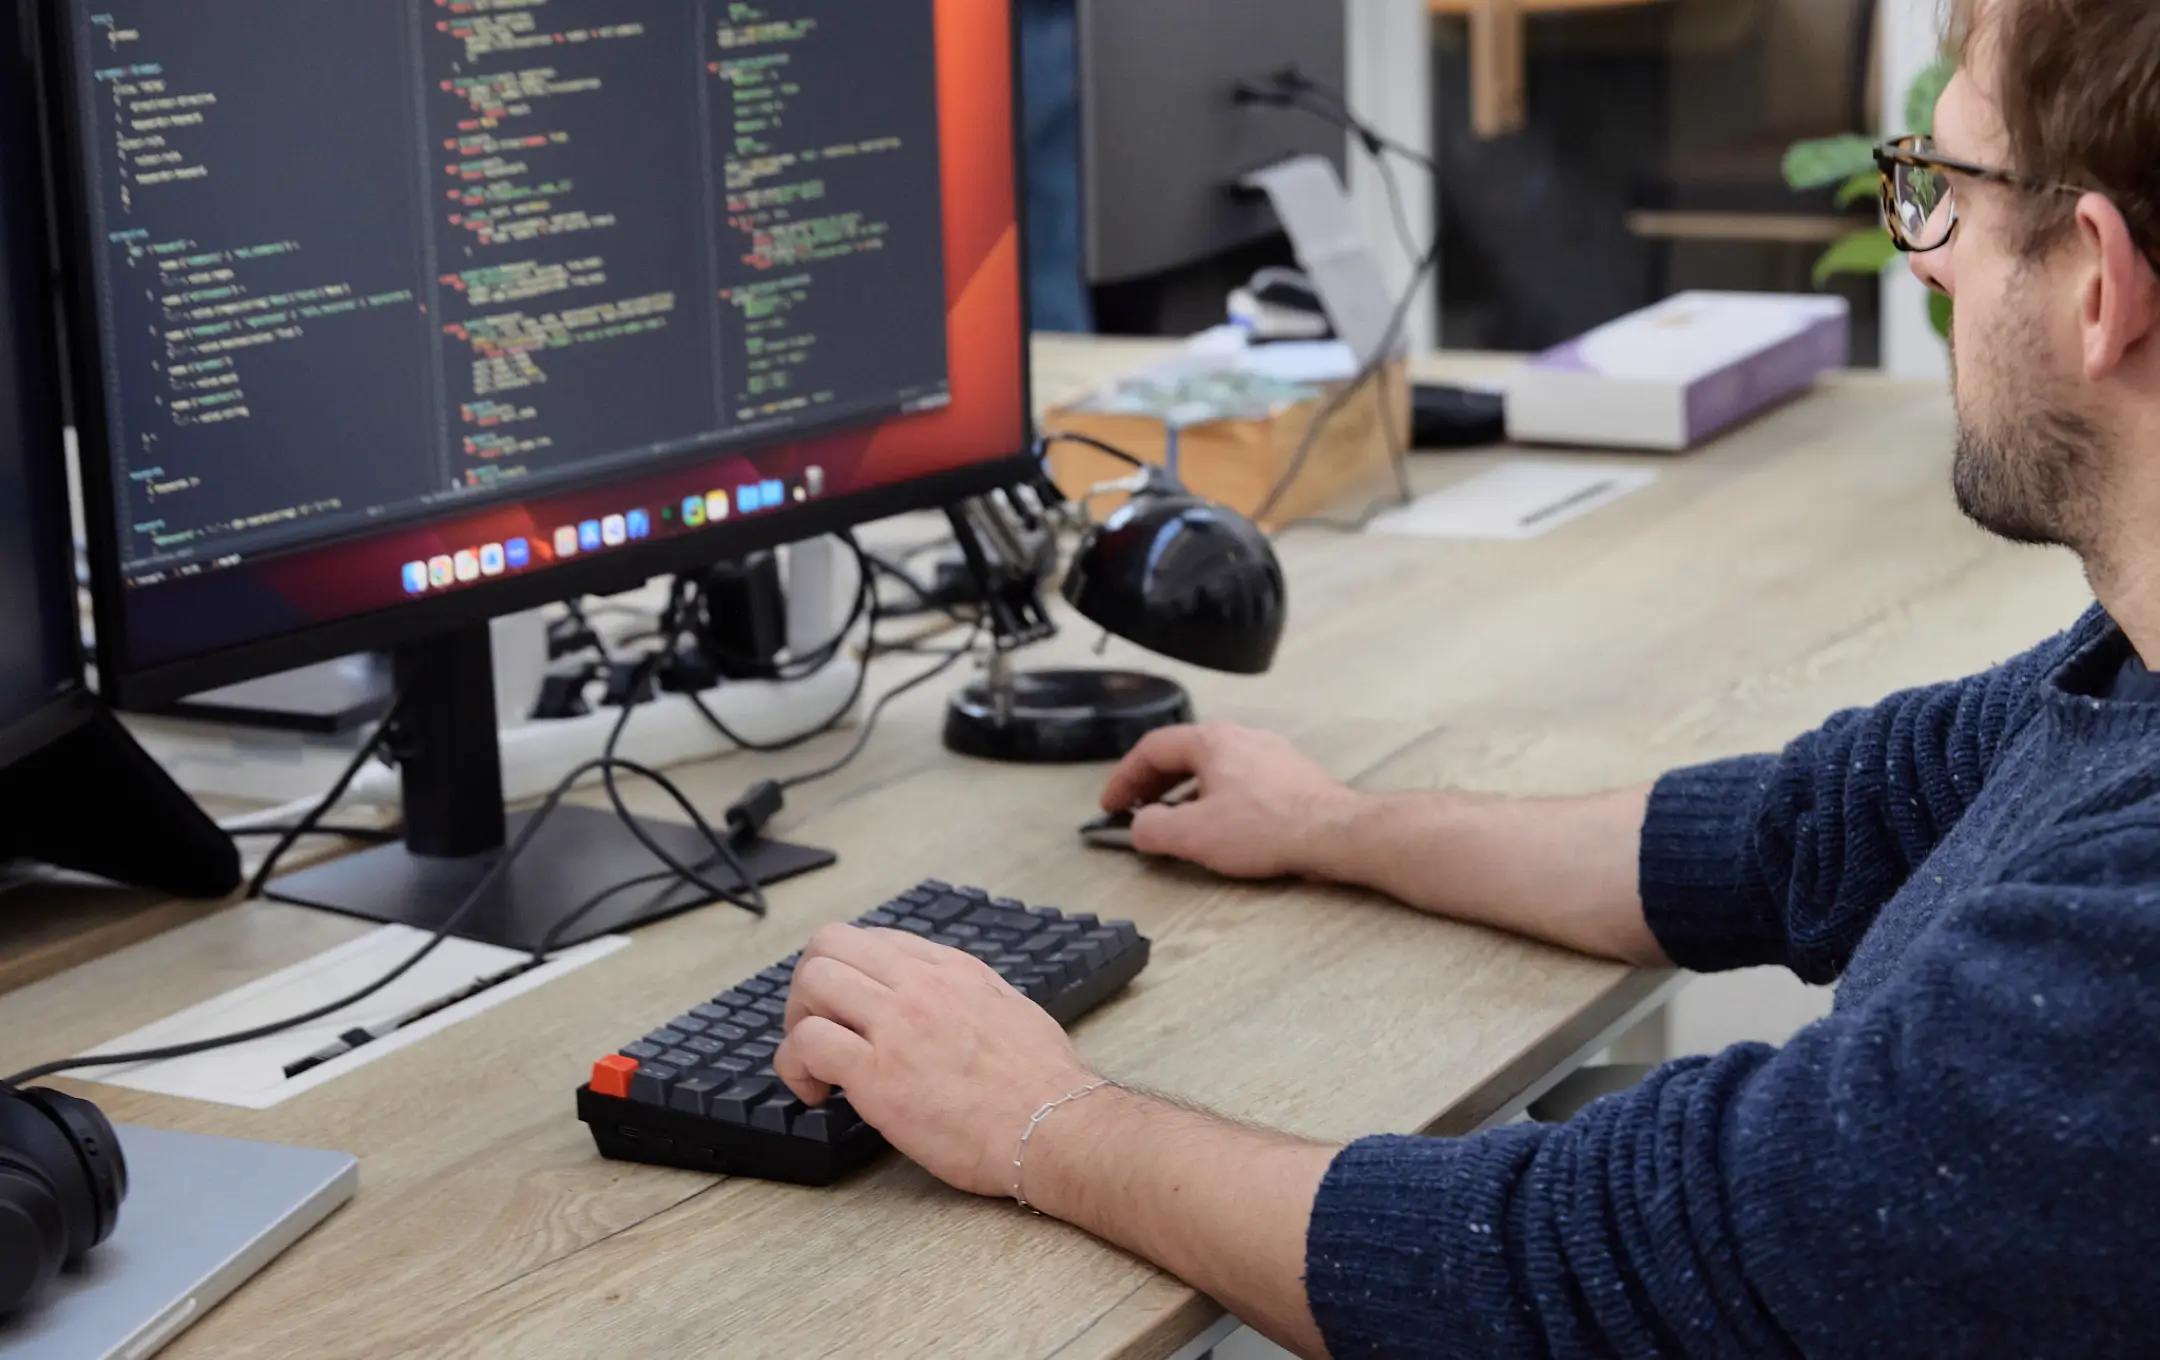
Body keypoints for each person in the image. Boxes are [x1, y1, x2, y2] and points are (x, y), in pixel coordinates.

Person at [774, 0, 2160, 1352]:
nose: (1923, 257)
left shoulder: (2120, 950)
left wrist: (1038, 1118)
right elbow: (1802, 828)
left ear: (2097, 280)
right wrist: (1335, 827)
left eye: (1948, 192)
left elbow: (1560, 1277)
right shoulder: (2127, 674)